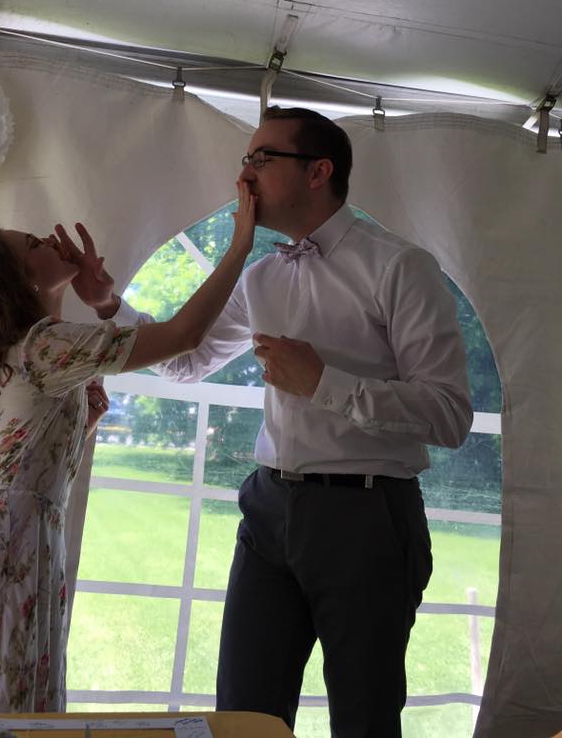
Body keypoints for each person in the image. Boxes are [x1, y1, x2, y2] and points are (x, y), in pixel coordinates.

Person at [71, 106, 473, 738]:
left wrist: (324, 384)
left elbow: (450, 415)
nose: (245, 173)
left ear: (318, 171)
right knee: (241, 718)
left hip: (367, 520)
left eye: (262, 158)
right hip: (268, 512)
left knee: (364, 721)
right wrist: (107, 304)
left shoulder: (400, 268)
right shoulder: (260, 276)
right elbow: (188, 360)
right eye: (245, 158)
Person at [0, 182, 256, 715]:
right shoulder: (44, 344)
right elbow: (185, 336)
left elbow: (18, 462)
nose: (52, 242)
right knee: (0, 710)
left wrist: (82, 422)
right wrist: (240, 245)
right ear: (22, 279)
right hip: (5, 556)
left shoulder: (17, 349)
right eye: (34, 244)